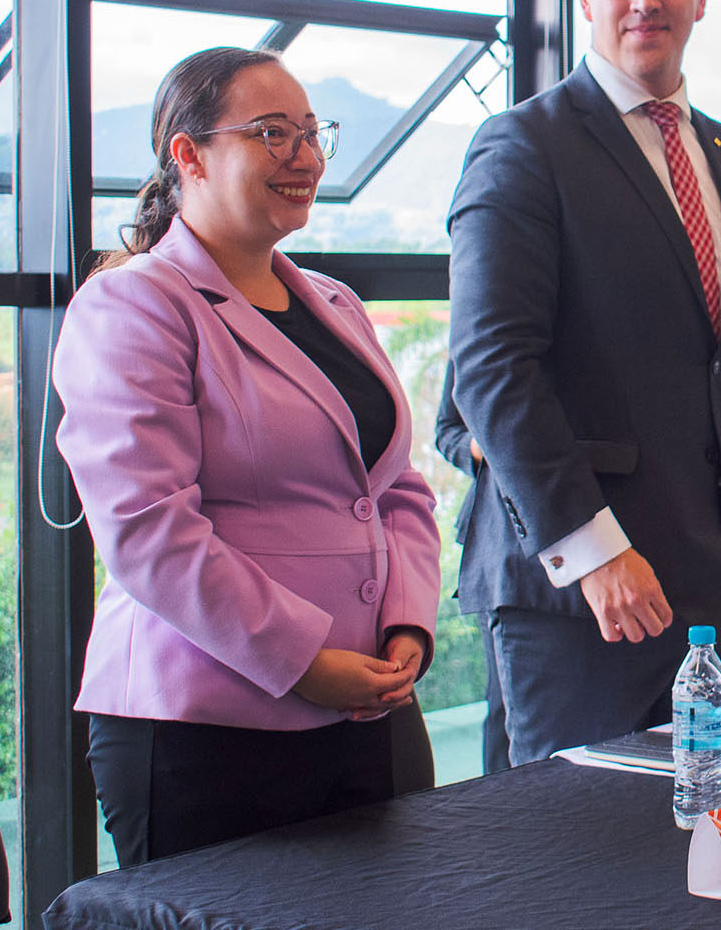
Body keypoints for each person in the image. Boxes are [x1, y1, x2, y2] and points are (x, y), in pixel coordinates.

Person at [447, 0, 721, 764]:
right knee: (578, 868)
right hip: (579, 591)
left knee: (705, 851)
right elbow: (494, 367)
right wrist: (591, 548)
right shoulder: (523, 145)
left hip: (711, 582)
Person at [53, 47, 444, 865]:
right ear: (186, 154)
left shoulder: (335, 304)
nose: (304, 156)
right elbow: (146, 530)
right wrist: (303, 660)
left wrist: (408, 619)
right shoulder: (133, 305)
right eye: (272, 133)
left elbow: (398, 489)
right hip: (204, 732)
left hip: (371, 710)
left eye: (310, 132)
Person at [432, 363, 510, 774]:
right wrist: (483, 447)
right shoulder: (482, 328)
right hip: (501, 551)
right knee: (507, 710)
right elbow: (447, 431)